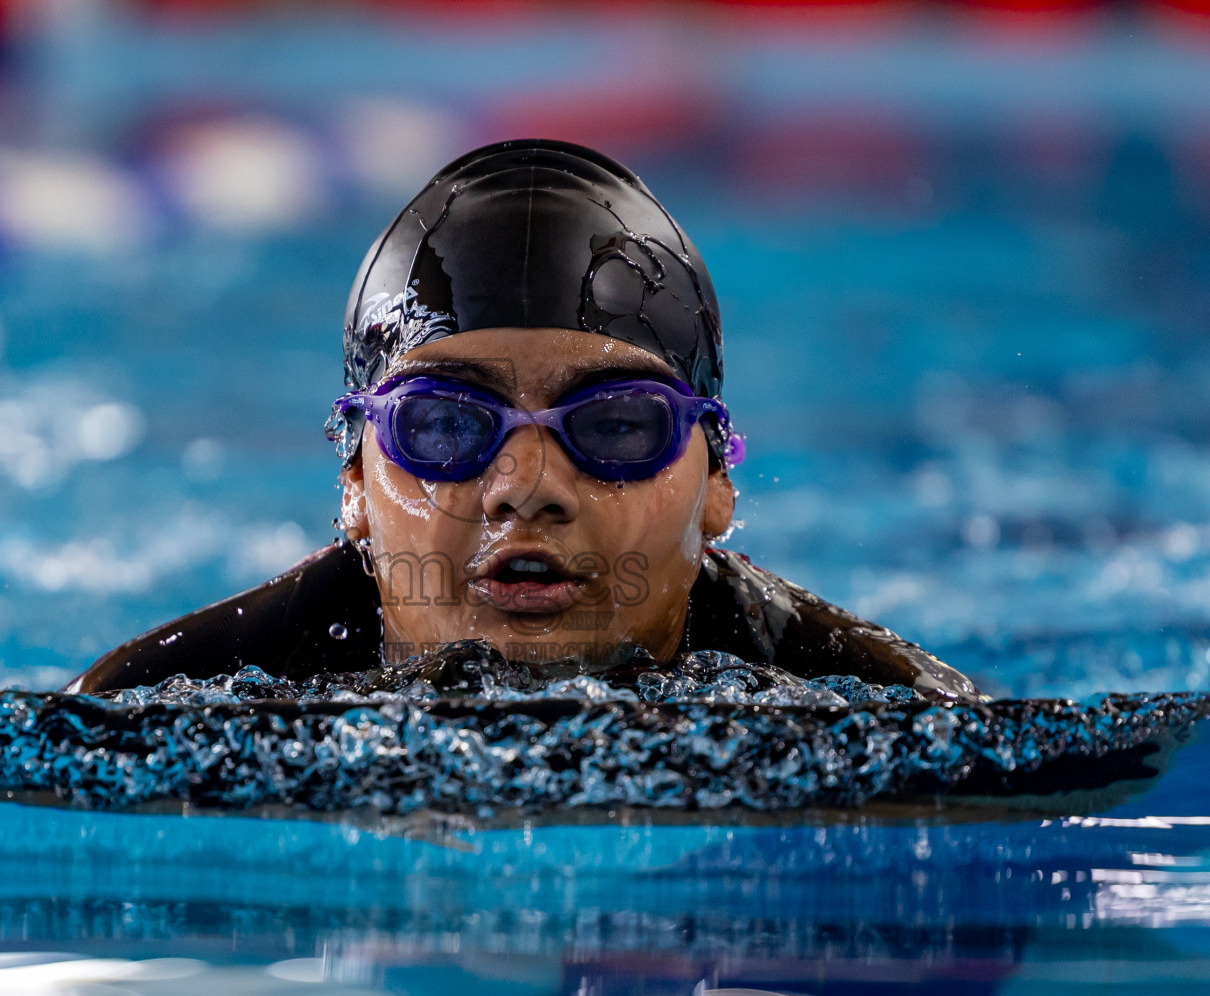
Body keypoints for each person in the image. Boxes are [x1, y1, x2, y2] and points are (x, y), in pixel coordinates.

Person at [69, 139, 980, 703]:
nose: (527, 489)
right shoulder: (149, 704)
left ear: (715, 486)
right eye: (445, 425)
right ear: (353, 485)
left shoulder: (887, 707)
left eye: (619, 426)